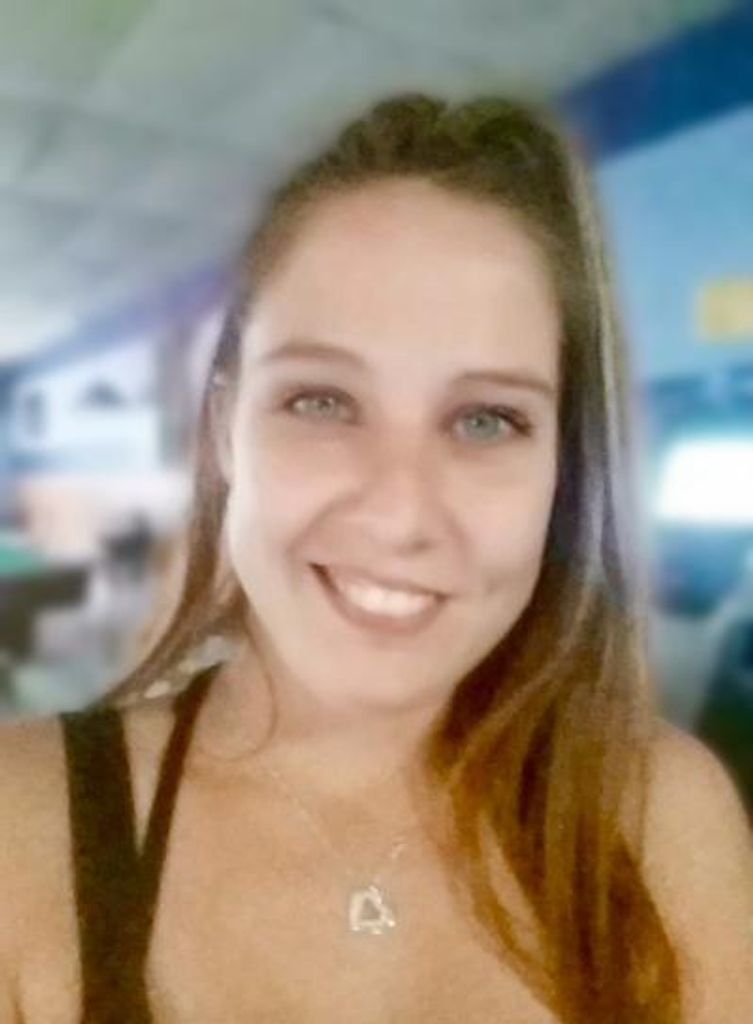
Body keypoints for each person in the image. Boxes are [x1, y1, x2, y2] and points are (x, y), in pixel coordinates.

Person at [0, 92, 751, 1024]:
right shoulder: (20, 830)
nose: (399, 513)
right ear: (226, 430)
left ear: (564, 467)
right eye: (321, 401)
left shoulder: (660, 819)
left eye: (486, 420)